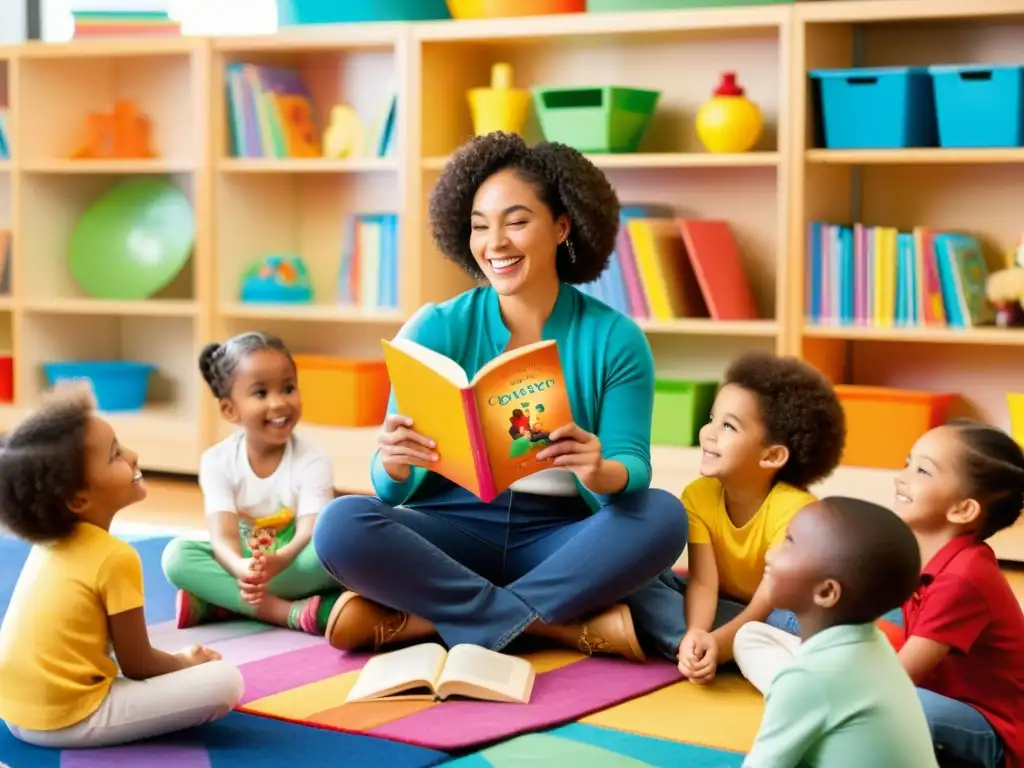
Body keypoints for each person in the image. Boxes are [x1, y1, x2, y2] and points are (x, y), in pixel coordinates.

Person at [312, 131, 688, 661]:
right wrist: (393, 465)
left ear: (561, 227)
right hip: (449, 527)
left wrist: (599, 471)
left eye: (516, 221)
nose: (496, 243)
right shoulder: (434, 328)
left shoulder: (615, 338)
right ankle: (545, 626)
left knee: (663, 516)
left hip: (560, 536)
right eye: (480, 226)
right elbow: (389, 493)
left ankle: (442, 619)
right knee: (341, 524)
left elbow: (634, 469)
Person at [734, 422, 1024, 768]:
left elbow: (895, 679)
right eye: (907, 462)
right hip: (907, 684)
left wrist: (828, 677)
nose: (901, 477)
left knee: (897, 705)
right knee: (756, 633)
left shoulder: (965, 579)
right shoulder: (916, 552)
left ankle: (806, 697)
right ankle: (804, 695)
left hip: (988, 728)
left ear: (963, 509)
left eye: (922, 471)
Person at [0, 385, 243, 748]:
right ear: (78, 498)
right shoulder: (115, 557)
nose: (132, 455)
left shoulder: (48, 543)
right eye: (115, 455)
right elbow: (139, 665)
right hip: (68, 719)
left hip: (14, 712)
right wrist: (186, 662)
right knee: (226, 681)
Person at [624, 351, 846, 678]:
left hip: (777, 612)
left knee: (813, 625)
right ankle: (699, 648)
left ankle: (710, 650)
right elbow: (702, 581)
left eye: (728, 425)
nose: (708, 433)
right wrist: (699, 633)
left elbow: (765, 603)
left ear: (772, 456)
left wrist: (722, 642)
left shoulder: (796, 510)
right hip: (725, 608)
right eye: (711, 419)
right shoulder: (698, 496)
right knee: (635, 577)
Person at [161, 332, 342, 635]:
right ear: (230, 409)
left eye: (288, 388)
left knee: (340, 547)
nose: (279, 403)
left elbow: (310, 531)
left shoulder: (313, 460)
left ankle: (219, 601)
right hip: (248, 566)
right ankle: (281, 611)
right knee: (177, 557)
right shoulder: (216, 461)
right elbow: (223, 538)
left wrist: (281, 558)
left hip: (295, 560)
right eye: (261, 393)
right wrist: (239, 568)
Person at [738, 497, 939, 768]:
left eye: (789, 543)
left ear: (826, 592)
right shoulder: (873, 644)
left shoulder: (809, 678)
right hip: (813, 688)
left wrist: (797, 691)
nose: (771, 553)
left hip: (809, 687)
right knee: (751, 636)